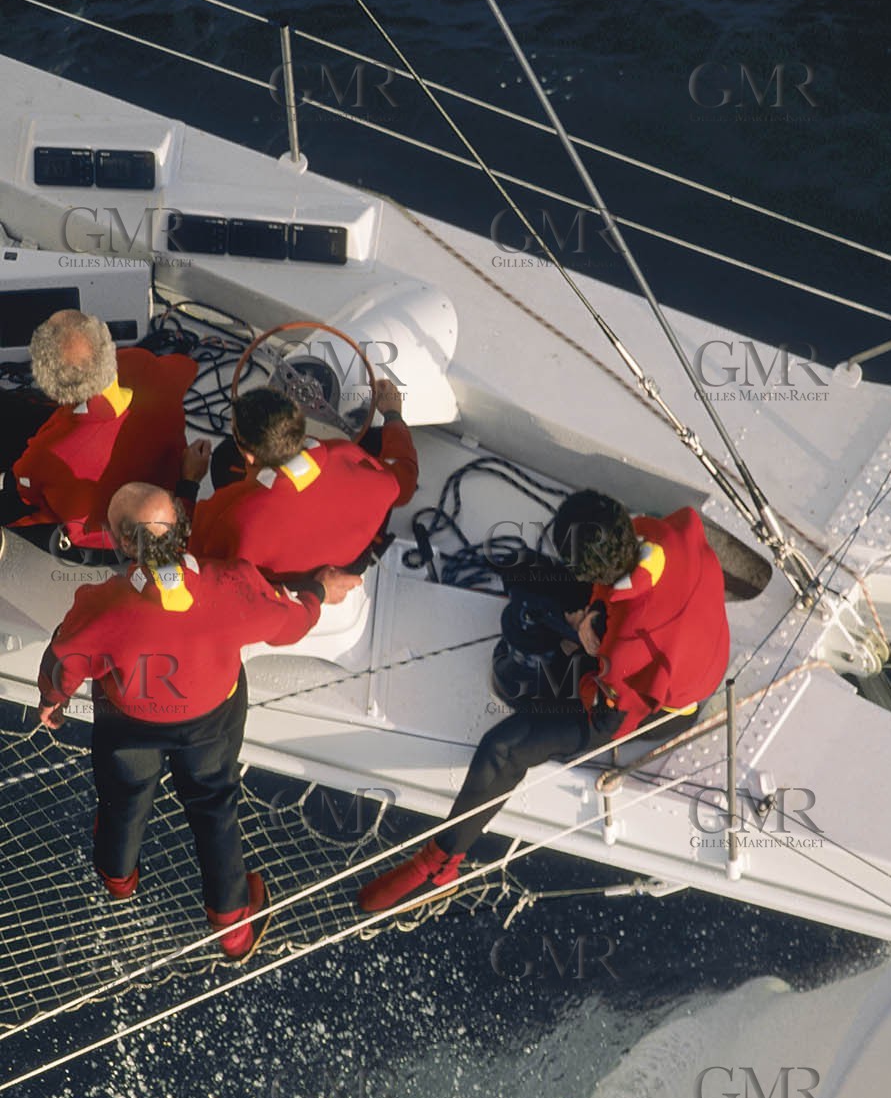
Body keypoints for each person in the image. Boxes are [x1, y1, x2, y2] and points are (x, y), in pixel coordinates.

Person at [359, 490, 731, 913]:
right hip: (681, 638)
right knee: (523, 572)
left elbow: (610, 718)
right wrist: (593, 612)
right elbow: (631, 593)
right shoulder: (668, 531)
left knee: (503, 750)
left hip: (652, 705)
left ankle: (441, 863)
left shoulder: (626, 648)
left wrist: (592, 649)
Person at [37, 483, 359, 961]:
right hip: (209, 721)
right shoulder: (234, 583)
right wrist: (316, 591)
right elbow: (290, 622)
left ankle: (118, 880)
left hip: (127, 727)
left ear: (124, 543)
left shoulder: (102, 602)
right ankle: (231, 931)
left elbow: (65, 659)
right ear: (183, 527)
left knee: (122, 801)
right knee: (213, 807)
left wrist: (52, 701)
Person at [185, 377, 418, 586]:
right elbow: (405, 482)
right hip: (346, 558)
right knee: (377, 438)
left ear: (249, 456)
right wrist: (393, 414)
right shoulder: (348, 455)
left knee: (224, 457)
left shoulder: (230, 513)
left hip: (293, 582)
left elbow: (190, 553)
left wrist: (188, 481)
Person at [0, 310, 199, 551]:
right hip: (154, 505)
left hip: (96, 540)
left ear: (50, 384)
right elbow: (183, 368)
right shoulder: (142, 362)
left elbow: (24, 490)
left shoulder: (50, 451)